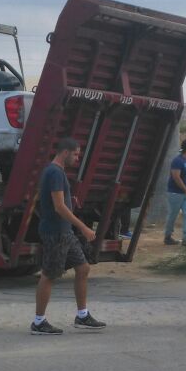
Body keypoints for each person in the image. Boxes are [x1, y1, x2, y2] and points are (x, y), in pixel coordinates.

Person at [31, 137, 107, 335]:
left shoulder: (56, 172)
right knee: (49, 275)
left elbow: (54, 200)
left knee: (83, 268)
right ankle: (39, 322)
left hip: (65, 231)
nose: (77, 158)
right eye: (75, 154)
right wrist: (83, 227)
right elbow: (58, 207)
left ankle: (82, 315)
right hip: (55, 232)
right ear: (65, 152)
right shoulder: (55, 172)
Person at [165, 138, 186, 245]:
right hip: (175, 193)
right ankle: (168, 236)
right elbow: (176, 177)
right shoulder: (177, 161)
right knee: (173, 215)